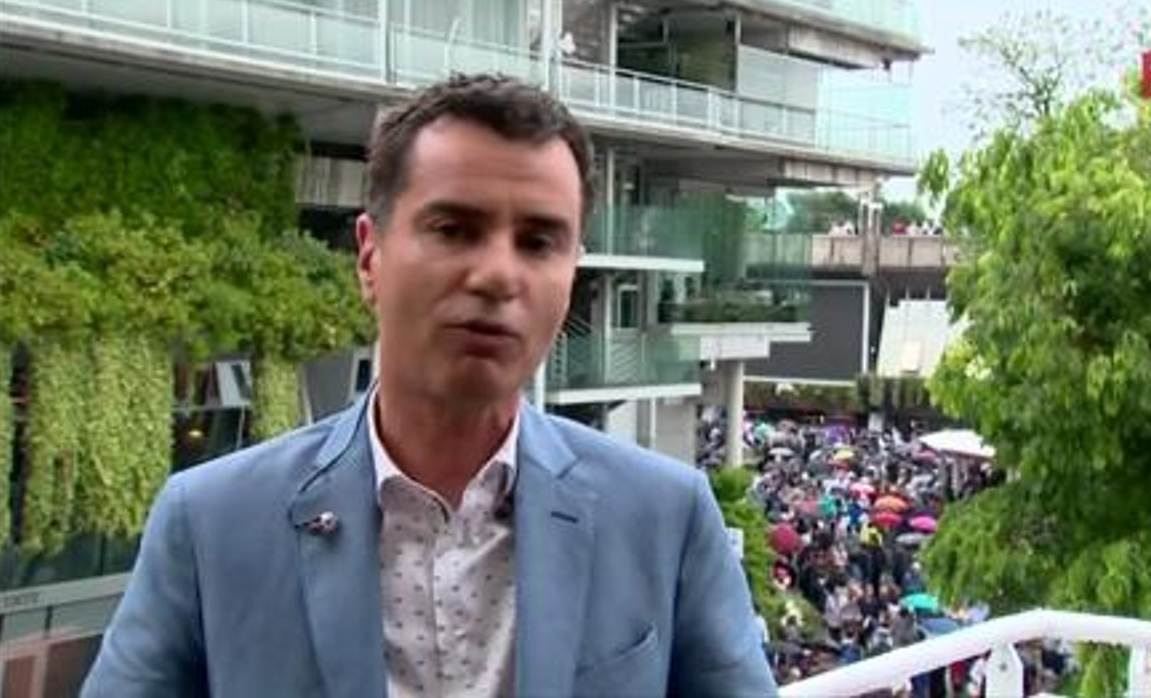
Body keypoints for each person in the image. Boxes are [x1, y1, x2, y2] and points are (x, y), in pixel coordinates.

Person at [81, 73, 776, 698]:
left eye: (538, 242)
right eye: (454, 229)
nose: (498, 274)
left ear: (572, 272)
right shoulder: (212, 523)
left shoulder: (664, 518)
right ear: (369, 256)